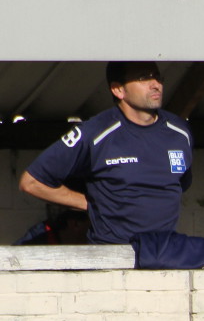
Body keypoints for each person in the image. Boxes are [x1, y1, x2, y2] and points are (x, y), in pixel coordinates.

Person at [18, 62, 192, 245]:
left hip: (165, 255)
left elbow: (181, 183)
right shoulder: (95, 132)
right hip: (112, 258)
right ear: (118, 90)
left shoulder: (180, 132)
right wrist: (90, 204)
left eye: (157, 77)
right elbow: (31, 182)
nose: (155, 84)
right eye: (143, 78)